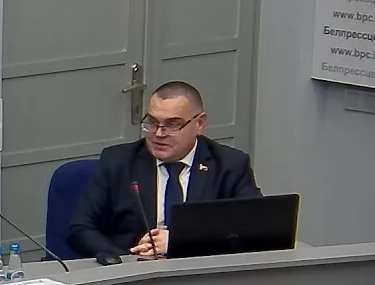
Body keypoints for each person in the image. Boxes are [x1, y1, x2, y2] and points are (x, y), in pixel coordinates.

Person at [68, 81, 262, 259]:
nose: (159, 134)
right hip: (132, 272)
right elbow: (80, 227)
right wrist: (124, 259)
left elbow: (254, 228)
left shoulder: (229, 165)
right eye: (152, 122)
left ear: (200, 123)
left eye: (172, 124)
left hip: (200, 272)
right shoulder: (119, 161)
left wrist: (182, 242)